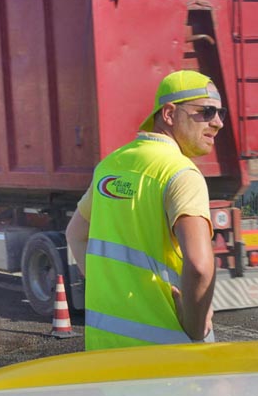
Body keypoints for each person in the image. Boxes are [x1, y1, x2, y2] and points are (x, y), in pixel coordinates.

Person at [65, 70, 225, 350]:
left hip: (104, 350)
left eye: (221, 113)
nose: (218, 123)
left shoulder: (110, 166)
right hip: (166, 356)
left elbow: (75, 234)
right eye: (207, 111)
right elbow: (200, 267)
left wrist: (111, 289)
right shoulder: (181, 174)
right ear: (169, 114)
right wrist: (195, 327)